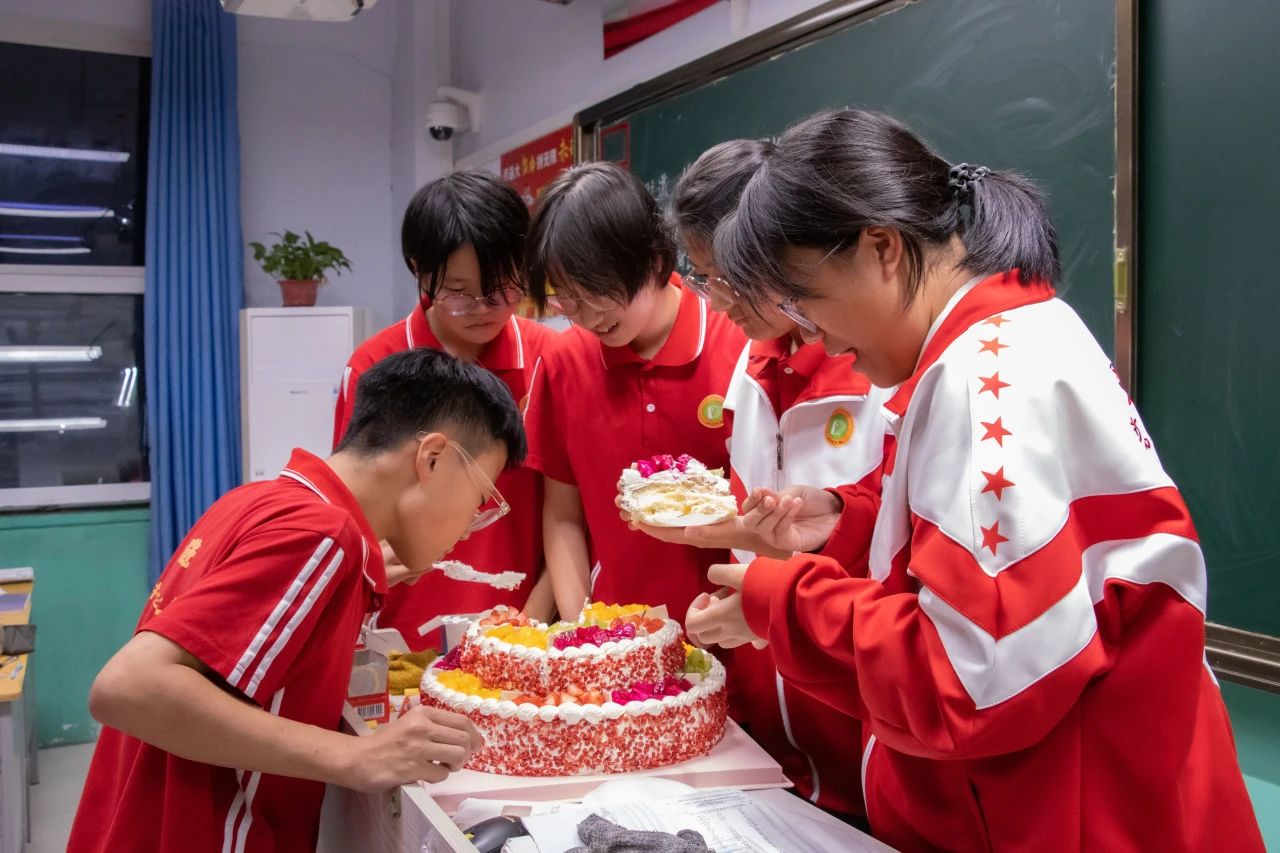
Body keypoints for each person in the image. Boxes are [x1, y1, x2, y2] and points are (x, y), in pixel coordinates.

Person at [685, 109, 1264, 851]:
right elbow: (994, 575)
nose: (814, 334)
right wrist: (848, 522)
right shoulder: (999, 339)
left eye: (805, 299)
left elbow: (969, 679)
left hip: (1078, 815)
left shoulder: (981, 378)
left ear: (881, 248)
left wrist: (784, 602)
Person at [69, 349, 524, 853]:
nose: (471, 526)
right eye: (479, 499)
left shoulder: (260, 501)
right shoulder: (323, 536)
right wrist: (355, 757)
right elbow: (128, 686)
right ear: (432, 458)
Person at [636, 138, 892, 821]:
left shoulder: (881, 372)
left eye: (728, 276)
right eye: (704, 277)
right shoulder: (750, 367)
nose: (718, 301)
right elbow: (763, 533)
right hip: (773, 735)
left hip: (864, 729)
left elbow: (890, 554)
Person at [333, 171, 557, 641]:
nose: (483, 308)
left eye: (503, 288)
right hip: (403, 633)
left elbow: (567, 514)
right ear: (420, 269)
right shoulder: (376, 367)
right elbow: (352, 510)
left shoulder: (549, 360)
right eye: (458, 292)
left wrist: (529, 627)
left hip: (523, 629)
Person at [522, 161, 746, 621]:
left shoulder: (738, 342)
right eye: (568, 298)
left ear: (655, 261)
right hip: (616, 635)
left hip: (730, 632)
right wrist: (583, 628)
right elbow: (563, 516)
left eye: (597, 292)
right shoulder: (565, 363)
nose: (587, 317)